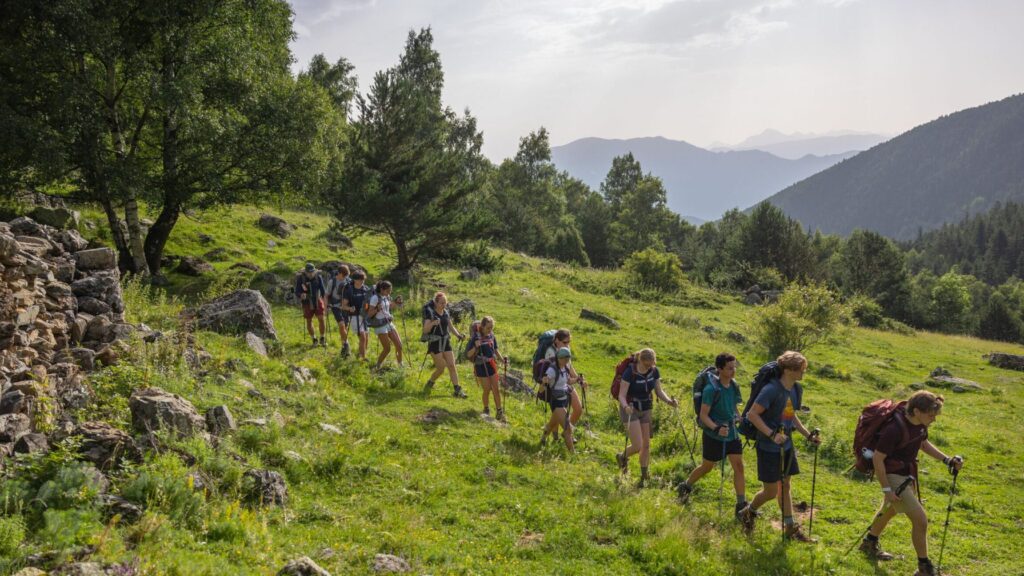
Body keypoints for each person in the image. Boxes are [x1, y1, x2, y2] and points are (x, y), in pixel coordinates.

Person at [858, 390, 963, 576]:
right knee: (920, 520)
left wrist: (947, 460)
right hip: (892, 474)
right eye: (931, 415)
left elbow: (922, 443)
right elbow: (877, 459)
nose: (934, 419)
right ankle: (924, 568)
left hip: (906, 474)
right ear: (916, 411)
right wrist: (887, 488)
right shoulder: (894, 429)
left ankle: (869, 543)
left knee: (890, 509)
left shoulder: (920, 424)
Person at [738, 351, 822, 542]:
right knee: (770, 491)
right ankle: (748, 512)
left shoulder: (794, 389)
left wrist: (808, 435)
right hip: (769, 446)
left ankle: (790, 527)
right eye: (801, 369)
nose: (804, 373)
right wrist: (772, 435)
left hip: (787, 445)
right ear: (789, 370)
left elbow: (791, 415)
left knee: (785, 486)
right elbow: (752, 414)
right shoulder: (771, 389)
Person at [677, 353, 746, 515]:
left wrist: (738, 416)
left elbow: (734, 406)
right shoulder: (711, 389)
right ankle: (686, 486)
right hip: (713, 435)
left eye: (734, 367)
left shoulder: (734, 385)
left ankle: (741, 505)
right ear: (720, 369)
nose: (733, 371)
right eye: (730, 368)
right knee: (707, 467)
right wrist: (716, 428)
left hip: (732, 433)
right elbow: (703, 415)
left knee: (739, 466)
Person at [615, 348, 679, 487]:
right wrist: (625, 406)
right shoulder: (630, 372)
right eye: (647, 364)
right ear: (641, 360)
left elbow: (658, 390)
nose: (650, 367)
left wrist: (669, 402)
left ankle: (644, 476)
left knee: (646, 445)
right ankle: (622, 456)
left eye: (652, 364)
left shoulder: (654, 371)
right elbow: (621, 395)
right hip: (630, 409)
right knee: (638, 445)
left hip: (646, 408)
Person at [422, 292, 467, 398]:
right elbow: (425, 329)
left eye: (445, 303)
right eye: (442, 303)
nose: (444, 305)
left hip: (446, 341)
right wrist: (433, 323)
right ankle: (431, 382)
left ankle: (457, 389)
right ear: (436, 303)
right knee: (441, 368)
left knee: (452, 365)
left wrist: (458, 335)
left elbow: (450, 326)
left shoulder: (446, 312)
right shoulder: (431, 314)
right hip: (434, 343)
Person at [543, 329, 586, 432]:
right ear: (557, 340)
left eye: (568, 342)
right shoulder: (550, 352)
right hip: (555, 389)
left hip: (566, 384)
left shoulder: (566, 349)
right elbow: (553, 373)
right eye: (565, 342)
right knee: (557, 417)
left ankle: (567, 432)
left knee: (578, 409)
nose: (567, 345)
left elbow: (570, 367)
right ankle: (557, 436)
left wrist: (579, 380)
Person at [540, 347, 578, 452]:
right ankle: (572, 454)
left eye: (568, 359)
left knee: (551, 424)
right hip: (556, 402)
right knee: (568, 428)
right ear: (559, 358)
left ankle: (543, 438)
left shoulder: (565, 367)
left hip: (564, 399)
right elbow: (541, 390)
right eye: (565, 359)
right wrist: (544, 382)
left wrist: (577, 380)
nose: (567, 361)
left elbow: (568, 381)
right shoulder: (552, 370)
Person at [468, 317, 506, 420]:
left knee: (496, 389)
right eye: (488, 327)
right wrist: (476, 347)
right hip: (480, 366)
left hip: (491, 364)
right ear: (482, 326)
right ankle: (486, 408)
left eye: (492, 327)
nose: (490, 330)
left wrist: (502, 360)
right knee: (487, 389)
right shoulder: (476, 337)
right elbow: (468, 354)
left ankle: (499, 411)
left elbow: (496, 349)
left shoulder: (492, 335)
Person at [367, 280, 404, 369]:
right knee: (387, 349)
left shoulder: (386, 297)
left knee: (399, 345)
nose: (389, 293)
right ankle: (378, 365)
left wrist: (397, 303)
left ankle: (400, 365)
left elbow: (389, 306)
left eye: (390, 291)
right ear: (382, 289)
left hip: (389, 323)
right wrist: (377, 309)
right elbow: (369, 314)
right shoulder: (375, 298)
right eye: (388, 291)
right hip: (380, 325)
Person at [341, 271, 371, 361]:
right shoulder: (349, 290)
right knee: (362, 336)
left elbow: (370, 302)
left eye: (363, 279)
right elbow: (343, 306)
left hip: (365, 316)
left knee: (366, 336)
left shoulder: (366, 289)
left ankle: (362, 353)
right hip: (354, 316)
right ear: (354, 280)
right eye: (360, 279)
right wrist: (350, 308)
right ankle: (363, 358)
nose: (362, 281)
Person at [294, 263, 327, 347]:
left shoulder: (318, 277)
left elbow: (323, 291)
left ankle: (322, 338)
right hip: (306, 302)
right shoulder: (300, 279)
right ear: (306, 272)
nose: (311, 274)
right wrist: (301, 294)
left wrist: (326, 301)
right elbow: (297, 291)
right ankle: (314, 339)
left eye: (312, 272)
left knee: (321, 318)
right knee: (309, 320)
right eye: (309, 272)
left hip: (317, 299)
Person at [326, 265, 351, 356]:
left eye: (346, 275)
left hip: (346, 306)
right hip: (335, 306)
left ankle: (344, 346)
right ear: (339, 273)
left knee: (345, 327)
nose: (345, 277)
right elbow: (326, 295)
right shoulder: (332, 282)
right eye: (344, 275)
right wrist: (326, 307)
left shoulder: (348, 281)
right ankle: (346, 345)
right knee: (341, 325)